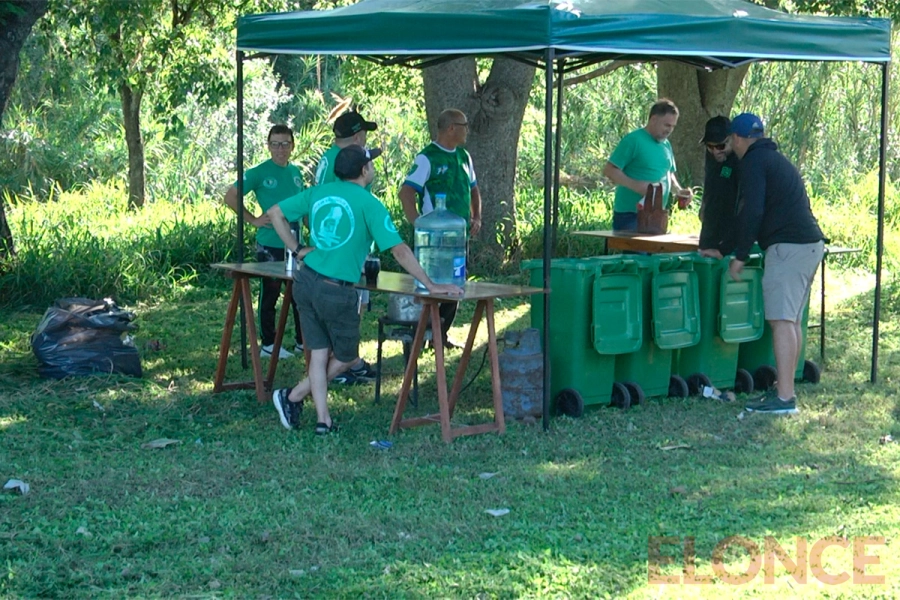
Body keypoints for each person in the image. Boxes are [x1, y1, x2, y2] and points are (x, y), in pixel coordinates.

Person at [267, 145, 464, 433]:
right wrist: (432, 284)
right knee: (347, 358)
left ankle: (322, 419)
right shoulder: (369, 203)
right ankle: (294, 395)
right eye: (370, 164)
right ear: (363, 171)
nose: (371, 168)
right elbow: (398, 250)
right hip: (337, 290)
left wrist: (297, 250)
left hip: (306, 281)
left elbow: (274, 213)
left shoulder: (319, 192)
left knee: (319, 354)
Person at [727, 113, 825, 415]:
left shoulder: (754, 162)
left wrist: (740, 254)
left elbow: (753, 210)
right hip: (809, 245)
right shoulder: (774, 158)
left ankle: (784, 399)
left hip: (789, 248)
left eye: (732, 140)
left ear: (738, 139)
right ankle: (785, 389)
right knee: (791, 320)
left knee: (781, 321)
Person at [399, 108, 482, 348]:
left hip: (458, 235)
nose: (468, 130)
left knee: (455, 285)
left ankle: (440, 335)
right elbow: (406, 193)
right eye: (464, 125)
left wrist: (476, 217)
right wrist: (418, 224)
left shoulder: (465, 156)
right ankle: (423, 332)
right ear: (451, 128)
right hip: (434, 239)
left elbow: (474, 189)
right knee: (432, 286)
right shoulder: (427, 157)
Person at [223, 124, 304, 359]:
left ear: (292, 146)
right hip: (270, 242)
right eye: (276, 144)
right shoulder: (259, 172)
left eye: (285, 144)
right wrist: (253, 220)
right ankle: (269, 343)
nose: (281, 149)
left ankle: (302, 340)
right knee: (270, 292)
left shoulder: (296, 172)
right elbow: (231, 196)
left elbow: (303, 206)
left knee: (300, 292)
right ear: (268, 146)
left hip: (296, 241)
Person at [314, 110, 379, 385]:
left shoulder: (328, 157)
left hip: (334, 245)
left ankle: (348, 360)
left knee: (353, 303)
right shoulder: (343, 161)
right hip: (345, 247)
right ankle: (341, 363)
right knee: (347, 305)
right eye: (363, 134)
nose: (365, 139)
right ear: (356, 136)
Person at [603, 99, 693, 232]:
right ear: (654, 119)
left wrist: (679, 191)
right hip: (631, 214)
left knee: (656, 252)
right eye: (667, 125)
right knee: (637, 253)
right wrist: (637, 186)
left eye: (673, 126)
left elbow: (668, 172)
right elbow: (610, 170)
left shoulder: (666, 144)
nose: (670, 130)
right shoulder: (633, 140)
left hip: (656, 216)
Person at [698, 116, 740, 258]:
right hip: (709, 234)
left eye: (721, 146)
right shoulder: (713, 158)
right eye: (710, 146)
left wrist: (725, 247)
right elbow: (713, 183)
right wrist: (705, 204)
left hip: (730, 238)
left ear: (732, 139)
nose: (716, 151)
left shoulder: (741, 160)